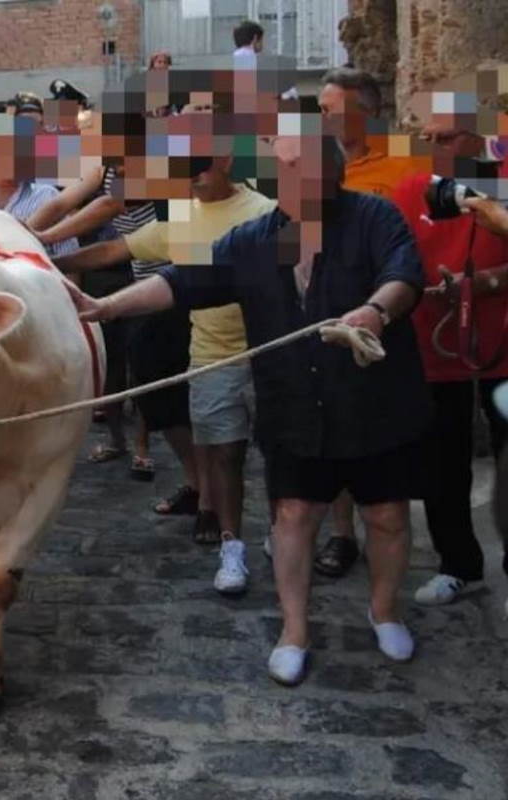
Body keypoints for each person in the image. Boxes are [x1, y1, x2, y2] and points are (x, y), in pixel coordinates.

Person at [71, 132, 429, 686]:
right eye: (282, 167)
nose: (289, 177)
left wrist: (374, 312)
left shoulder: (373, 219)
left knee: (386, 516)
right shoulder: (260, 240)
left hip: (372, 401)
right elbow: (183, 281)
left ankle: (384, 612)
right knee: (293, 516)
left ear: (330, 172)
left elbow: (403, 275)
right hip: (294, 405)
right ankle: (294, 630)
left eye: (299, 165)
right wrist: (106, 307)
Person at [55, 153, 276, 594]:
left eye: (201, 163)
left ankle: (282, 527)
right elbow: (117, 249)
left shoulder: (266, 213)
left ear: (229, 160)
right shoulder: (179, 216)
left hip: (272, 353)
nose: (191, 174)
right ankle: (232, 546)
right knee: (224, 454)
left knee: (279, 454)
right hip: (211, 354)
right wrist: (48, 263)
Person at [311, 67, 429, 578]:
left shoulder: (411, 162)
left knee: (383, 444)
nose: (319, 118)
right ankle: (341, 536)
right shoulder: (320, 167)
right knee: (329, 428)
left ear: (363, 109)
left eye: (328, 108)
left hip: (392, 325)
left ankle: (386, 531)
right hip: (327, 320)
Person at [392, 100, 508, 606]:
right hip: (436, 348)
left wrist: (487, 282)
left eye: (445, 137)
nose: (432, 148)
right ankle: (459, 564)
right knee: (443, 464)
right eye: (428, 137)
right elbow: (393, 255)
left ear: (477, 137)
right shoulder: (413, 189)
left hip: (502, 345)